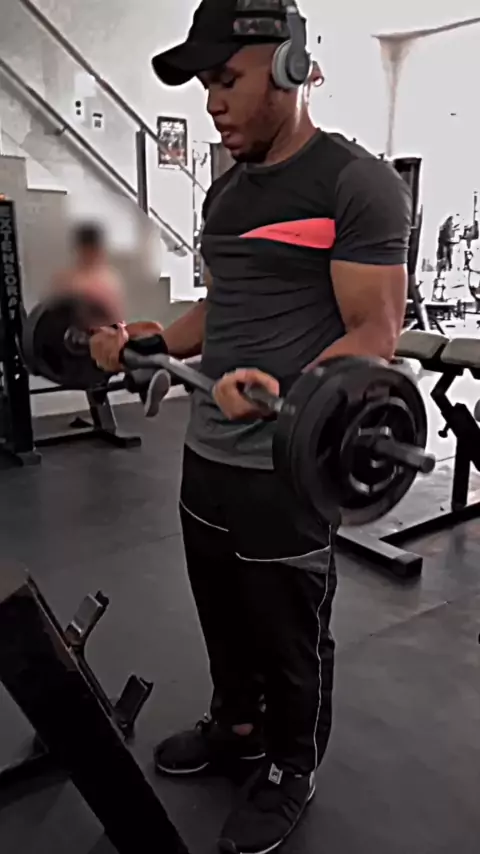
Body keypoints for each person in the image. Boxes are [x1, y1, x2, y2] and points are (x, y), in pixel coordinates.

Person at [90, 1, 411, 852]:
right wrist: (153, 341)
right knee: (223, 613)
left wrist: (286, 392)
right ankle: (236, 727)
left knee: (287, 632)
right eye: (205, 84)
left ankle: (290, 767)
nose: (212, 102)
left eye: (227, 79)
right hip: (206, 451)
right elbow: (221, 306)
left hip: (285, 467)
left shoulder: (355, 184)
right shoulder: (228, 191)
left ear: (288, 67)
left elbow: (375, 332)